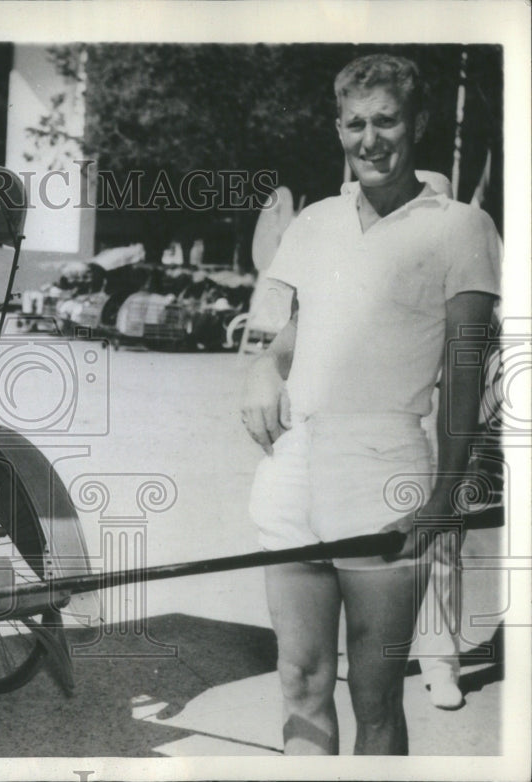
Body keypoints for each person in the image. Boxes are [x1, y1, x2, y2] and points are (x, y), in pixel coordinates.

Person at [241, 54, 499, 754]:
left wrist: (446, 493)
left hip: (385, 466)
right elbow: (296, 329)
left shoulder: (460, 227)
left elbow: (466, 371)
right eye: (355, 123)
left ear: (416, 123)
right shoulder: (315, 222)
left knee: (376, 693)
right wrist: (266, 366)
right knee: (299, 678)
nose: (371, 138)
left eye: (386, 120)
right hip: (294, 465)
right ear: (338, 130)